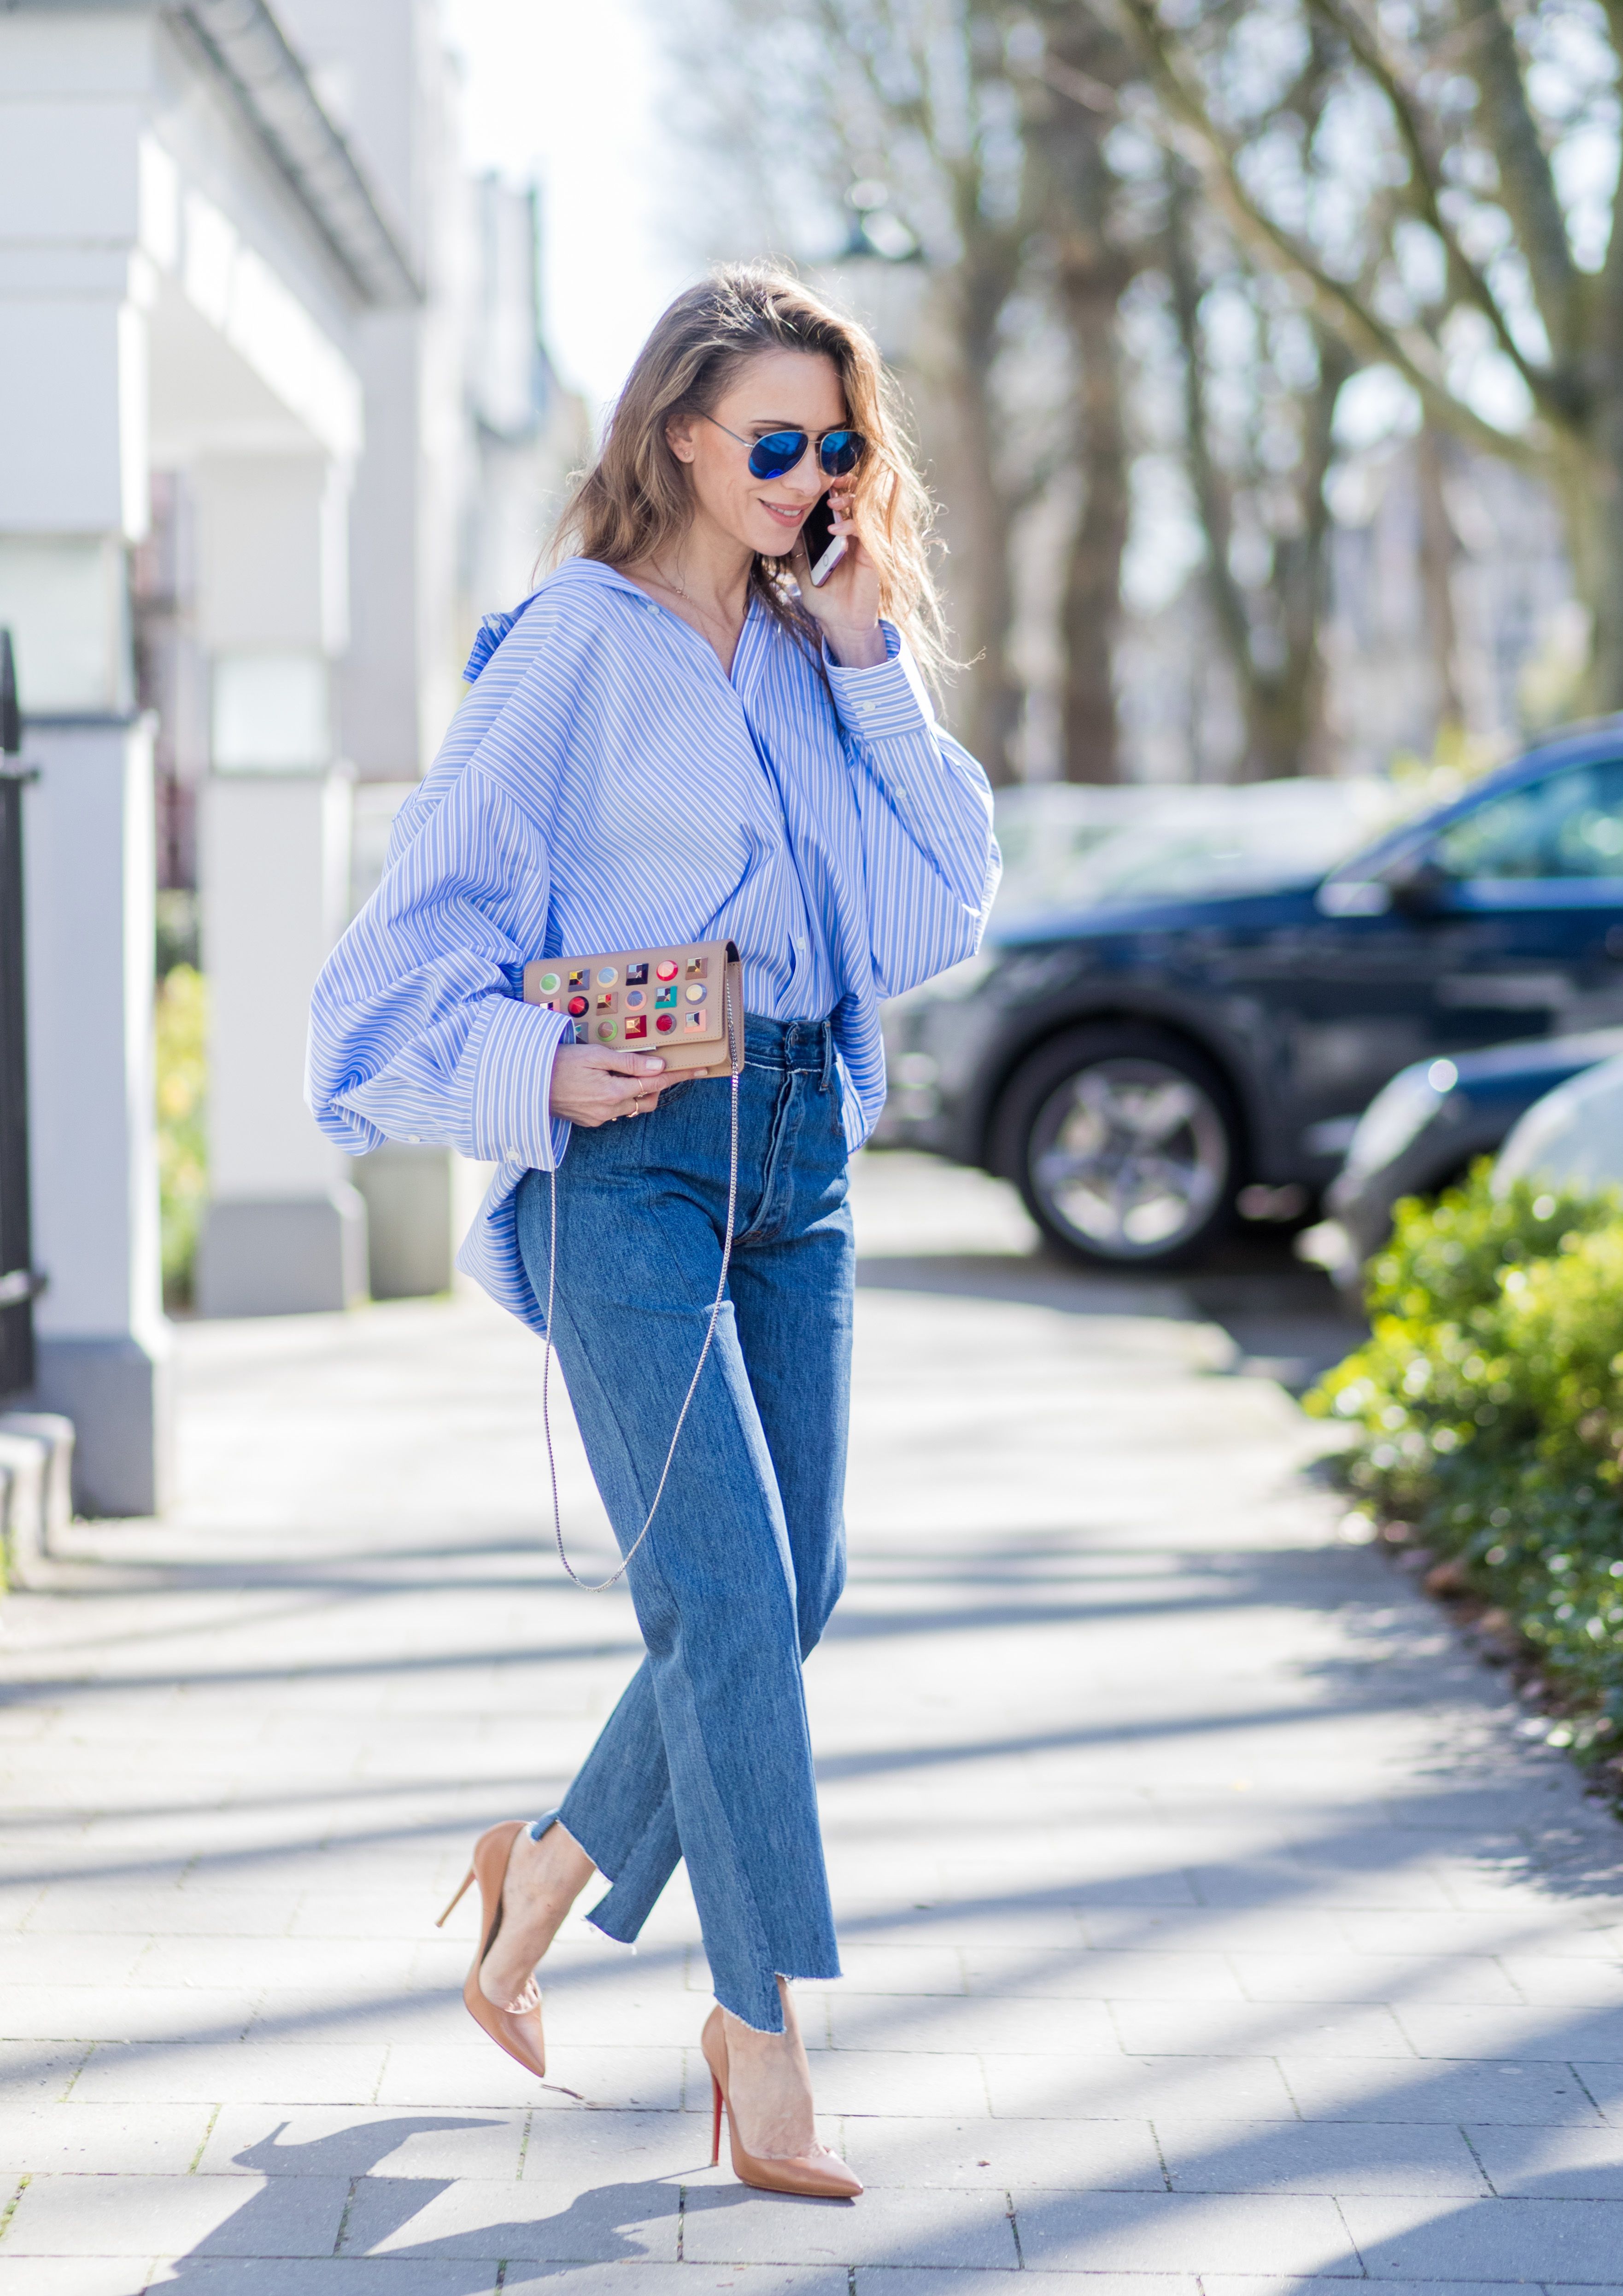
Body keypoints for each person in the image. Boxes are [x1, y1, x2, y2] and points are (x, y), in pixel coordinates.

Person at [307, 265, 998, 2198]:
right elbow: (390, 963)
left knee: (792, 1586)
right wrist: (531, 1065)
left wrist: (872, 661)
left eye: (835, 445)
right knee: (725, 1587)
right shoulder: (567, 650)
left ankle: (539, 1868)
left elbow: (935, 913)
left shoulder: (807, 650)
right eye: (772, 441)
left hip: (799, 1152)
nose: (805, 477)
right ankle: (760, 2036)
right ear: (676, 432)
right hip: (633, 1160)